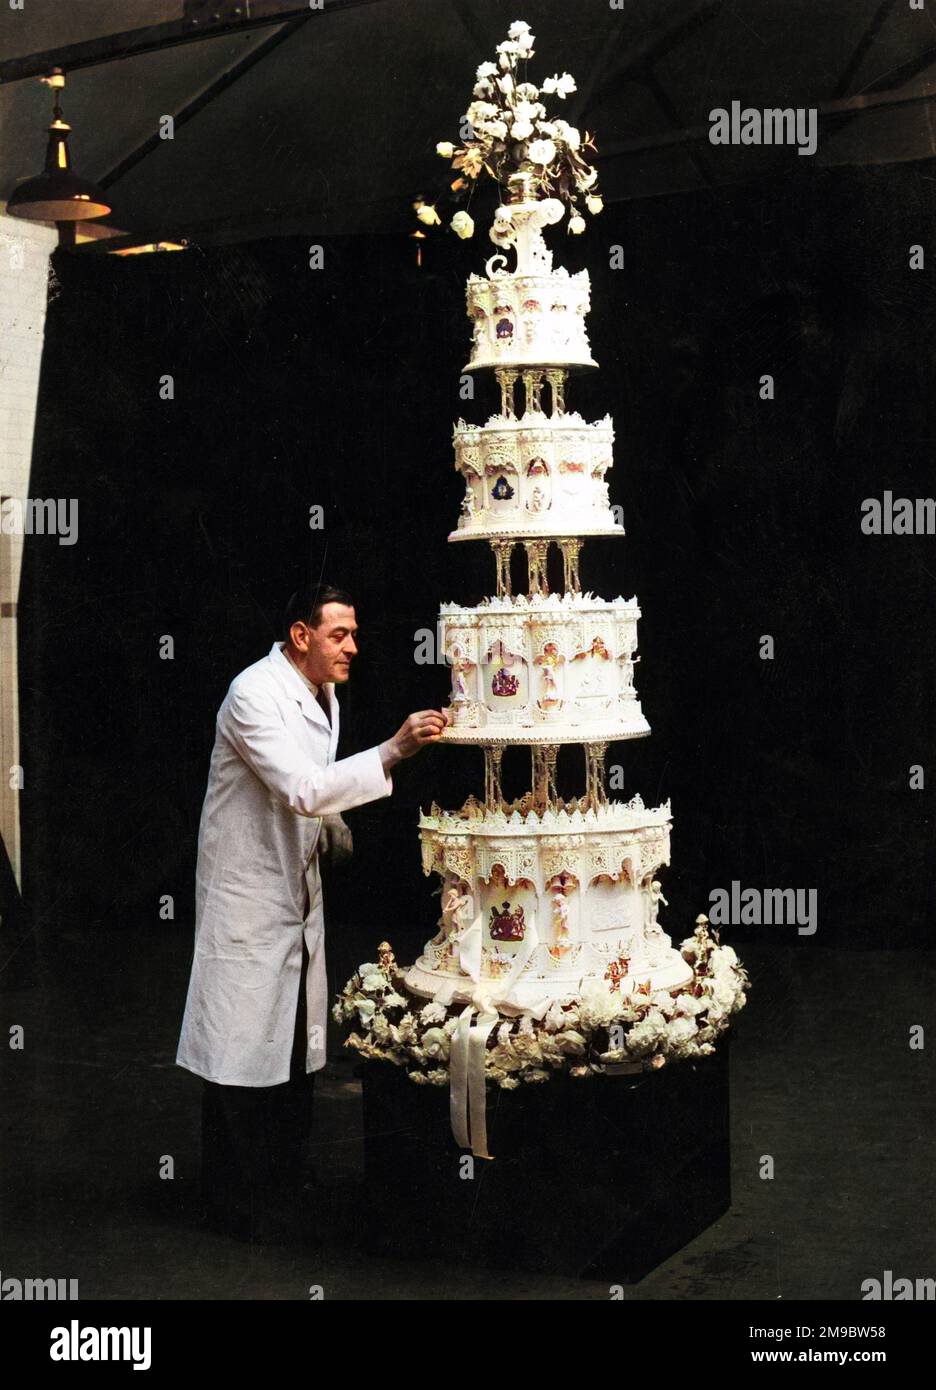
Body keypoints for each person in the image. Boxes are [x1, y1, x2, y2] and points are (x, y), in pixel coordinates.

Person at [175, 582, 447, 1241]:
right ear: (301, 636)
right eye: (339, 635)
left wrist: (333, 827)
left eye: (353, 634)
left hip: (292, 887)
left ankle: (284, 1181)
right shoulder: (253, 694)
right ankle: (236, 1205)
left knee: (293, 1042)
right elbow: (299, 786)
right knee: (240, 1048)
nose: (353, 646)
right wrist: (392, 751)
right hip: (248, 892)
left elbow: (309, 784)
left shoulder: (322, 695)